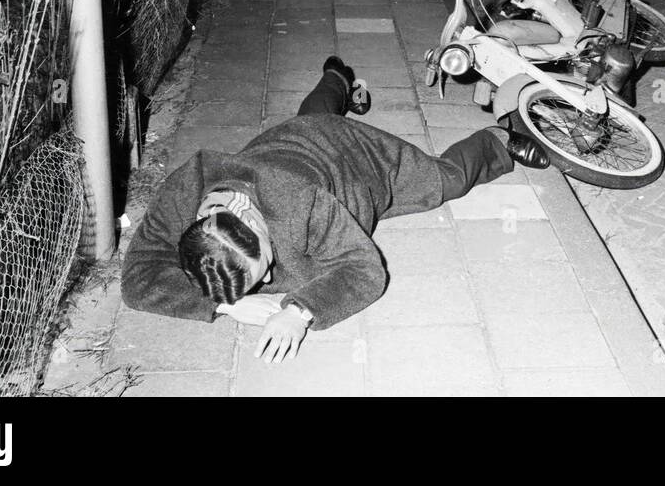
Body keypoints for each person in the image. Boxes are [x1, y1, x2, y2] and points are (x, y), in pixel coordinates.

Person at [121, 56, 550, 364]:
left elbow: (365, 269)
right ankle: (336, 76)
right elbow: (137, 278)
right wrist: (226, 306)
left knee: (442, 183)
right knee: (311, 117)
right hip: (290, 140)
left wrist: (298, 311)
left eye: (264, 266)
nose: (268, 280)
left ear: (254, 221)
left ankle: (498, 139)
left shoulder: (302, 203)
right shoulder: (186, 186)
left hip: (358, 160)